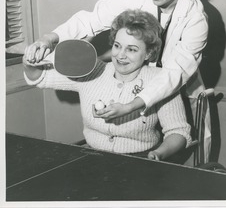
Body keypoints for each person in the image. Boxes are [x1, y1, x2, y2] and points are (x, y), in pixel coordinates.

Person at [24, 0, 210, 162]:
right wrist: (49, 38)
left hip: (179, 83)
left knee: (187, 153)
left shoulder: (196, 18)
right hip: (135, 72)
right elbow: (92, 20)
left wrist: (131, 106)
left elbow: (172, 74)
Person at [23, 10, 191, 161]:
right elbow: (40, 76)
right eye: (117, 46)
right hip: (92, 158)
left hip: (142, 159)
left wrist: (158, 154)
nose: (121, 55)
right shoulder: (92, 70)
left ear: (148, 53)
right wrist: (29, 61)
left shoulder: (163, 81)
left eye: (131, 49)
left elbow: (178, 132)